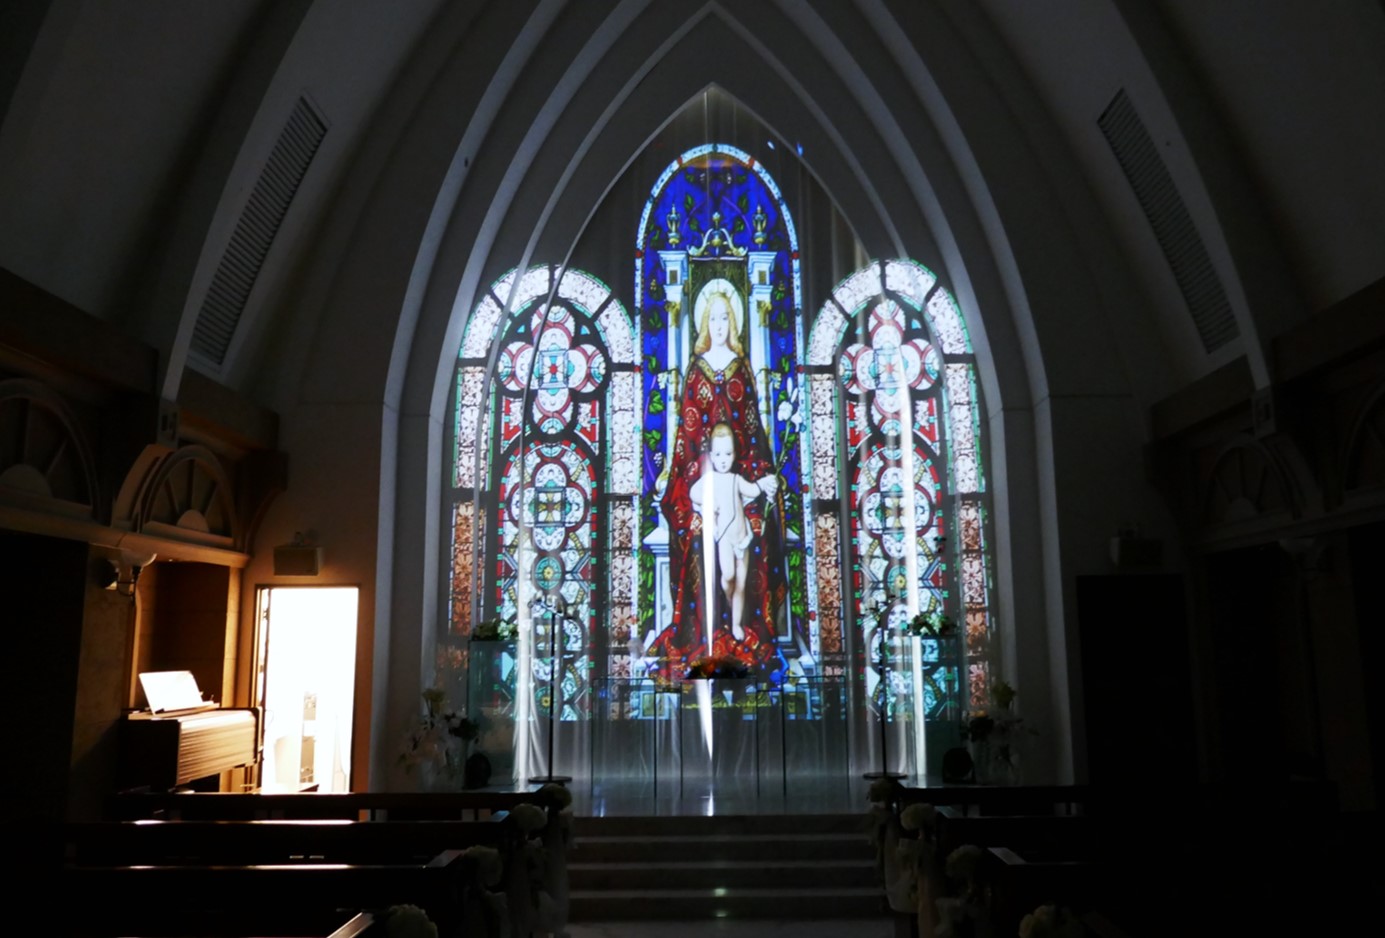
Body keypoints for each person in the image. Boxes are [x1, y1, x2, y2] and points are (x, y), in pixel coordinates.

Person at [649, 282, 785, 680]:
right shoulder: (696, 371)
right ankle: (705, 633)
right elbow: (687, 439)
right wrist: (698, 483)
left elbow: (753, 432)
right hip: (706, 484)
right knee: (696, 536)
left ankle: (742, 627)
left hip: (740, 483)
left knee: (758, 535)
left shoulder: (742, 369)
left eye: (727, 317)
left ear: (735, 323)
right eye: (714, 318)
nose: (721, 325)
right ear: (705, 324)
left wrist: (762, 477)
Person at [689, 422, 762, 642]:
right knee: (728, 575)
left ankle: (736, 624)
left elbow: (752, 490)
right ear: (711, 456)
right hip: (724, 538)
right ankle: (729, 600)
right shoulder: (710, 479)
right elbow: (693, 493)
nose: (723, 460)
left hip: (742, 537)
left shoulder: (736, 479)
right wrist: (709, 503)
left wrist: (765, 484)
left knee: (741, 582)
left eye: (728, 454)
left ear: (734, 455)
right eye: (719, 454)